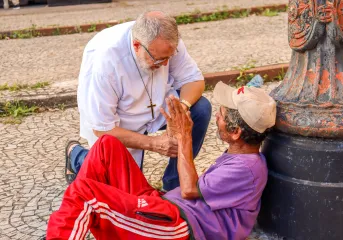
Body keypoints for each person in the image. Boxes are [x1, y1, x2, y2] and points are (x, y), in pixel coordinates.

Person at [47, 82, 276, 240]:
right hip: (163, 207)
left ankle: (70, 222)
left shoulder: (248, 168)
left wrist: (184, 137)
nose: (216, 116)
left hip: (175, 226)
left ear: (236, 132)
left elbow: (188, 190)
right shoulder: (240, 155)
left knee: (85, 193)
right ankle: (71, 223)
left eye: (222, 116)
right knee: (107, 145)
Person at [66, 11, 212, 191]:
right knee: (123, 194)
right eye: (159, 59)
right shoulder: (104, 62)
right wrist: (155, 144)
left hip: (156, 106)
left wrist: (180, 111)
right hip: (118, 122)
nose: (165, 64)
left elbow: (194, 80)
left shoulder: (166, 42)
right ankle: (76, 155)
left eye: (169, 58)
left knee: (200, 109)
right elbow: (103, 129)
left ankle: (173, 184)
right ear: (137, 45)